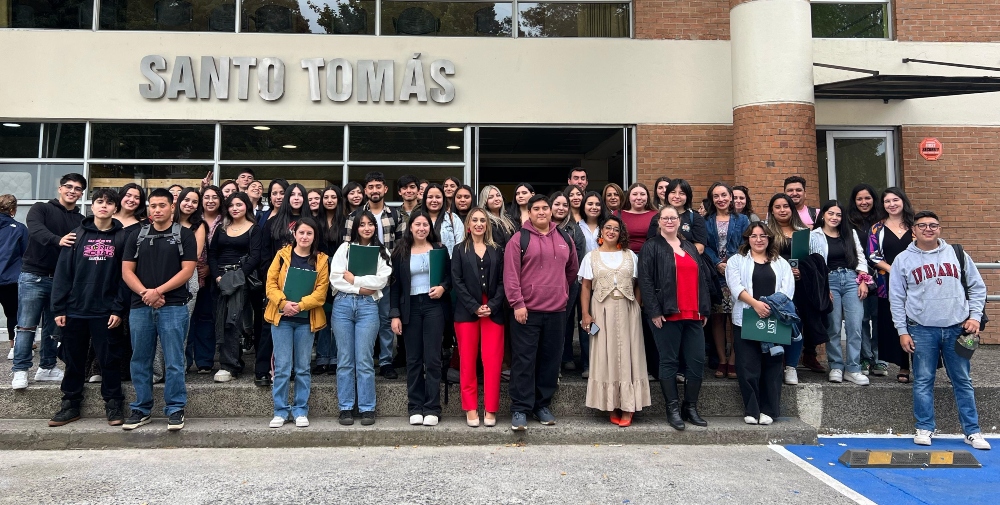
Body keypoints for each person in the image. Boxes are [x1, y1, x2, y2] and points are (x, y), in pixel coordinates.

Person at [890, 211, 990, 450]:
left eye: (933, 225)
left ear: (940, 229)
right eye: (922, 225)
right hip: (922, 329)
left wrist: (975, 317)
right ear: (913, 230)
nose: (928, 229)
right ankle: (924, 427)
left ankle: (972, 431)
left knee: (963, 380)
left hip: (958, 329)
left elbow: (978, 288)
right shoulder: (903, 260)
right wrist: (902, 331)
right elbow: (896, 299)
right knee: (923, 380)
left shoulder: (957, 254)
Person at [46, 189, 127, 427]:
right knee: (73, 360)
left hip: (106, 311)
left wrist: (118, 309)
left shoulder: (122, 237)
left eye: (109, 203)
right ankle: (70, 404)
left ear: (115, 208)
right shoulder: (76, 235)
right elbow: (62, 274)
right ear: (92, 206)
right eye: (99, 202)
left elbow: (125, 277)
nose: (104, 206)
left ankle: (113, 404)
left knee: (109, 360)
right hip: (75, 311)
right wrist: (59, 309)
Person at [121, 188, 197, 431]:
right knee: (140, 359)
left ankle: (175, 408)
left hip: (173, 306)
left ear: (172, 207)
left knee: (174, 360)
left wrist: (159, 291)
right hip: (140, 305)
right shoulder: (136, 235)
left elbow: (187, 271)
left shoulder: (185, 235)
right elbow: (126, 271)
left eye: (162, 205)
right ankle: (141, 408)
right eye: (152, 206)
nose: (157, 210)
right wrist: (147, 293)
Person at [504, 195, 579, 431]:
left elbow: (572, 270)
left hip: (556, 310)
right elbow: (511, 275)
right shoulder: (519, 239)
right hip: (527, 311)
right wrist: (518, 304)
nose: (541, 212)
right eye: (535, 209)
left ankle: (542, 405)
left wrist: (559, 293)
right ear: (529, 212)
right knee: (524, 360)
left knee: (550, 360)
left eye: (545, 208)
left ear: (551, 211)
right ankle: (520, 408)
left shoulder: (565, 237)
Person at [639, 206, 711, 430]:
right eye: (665, 218)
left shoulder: (688, 246)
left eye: (673, 218)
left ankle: (690, 407)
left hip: (693, 313)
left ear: (679, 222)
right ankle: (672, 408)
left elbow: (702, 279)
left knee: (696, 362)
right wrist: (654, 311)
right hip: (667, 314)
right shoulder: (650, 247)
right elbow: (646, 281)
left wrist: (705, 309)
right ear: (658, 222)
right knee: (669, 361)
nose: (669, 221)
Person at [11, 173, 86, 390]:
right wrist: (58, 240)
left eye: (77, 188)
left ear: (82, 194)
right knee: (26, 326)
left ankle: (47, 367)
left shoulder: (80, 221)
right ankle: (20, 369)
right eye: (68, 187)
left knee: (55, 327)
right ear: (60, 188)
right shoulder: (40, 208)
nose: (72, 191)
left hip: (62, 282)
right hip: (34, 276)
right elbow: (36, 231)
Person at [582, 215, 650, 427]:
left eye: (616, 228)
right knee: (606, 355)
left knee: (630, 354)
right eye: (608, 228)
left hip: (628, 308)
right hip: (601, 309)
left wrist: (637, 304)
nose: (611, 231)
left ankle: (628, 405)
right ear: (601, 232)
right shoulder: (590, 257)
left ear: (621, 233)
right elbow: (585, 287)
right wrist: (586, 314)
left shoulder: (630, 255)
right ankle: (612, 404)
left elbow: (638, 283)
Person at [726, 222, 795, 425]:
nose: (758, 239)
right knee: (748, 366)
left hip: (774, 319)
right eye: (754, 236)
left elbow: (787, 290)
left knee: (773, 366)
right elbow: (735, 287)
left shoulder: (781, 263)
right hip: (746, 318)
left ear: (769, 239)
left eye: (763, 236)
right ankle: (752, 409)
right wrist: (756, 305)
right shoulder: (736, 261)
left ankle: (769, 410)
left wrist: (770, 307)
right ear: (747, 239)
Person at [264, 218, 330, 429]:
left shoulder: (321, 260)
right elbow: (270, 284)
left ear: (314, 237)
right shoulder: (282, 256)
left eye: (309, 233)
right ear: (295, 234)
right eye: (301, 232)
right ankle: (280, 411)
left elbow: (321, 293)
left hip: (305, 320)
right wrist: (283, 303)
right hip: (282, 319)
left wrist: (299, 306)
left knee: (302, 368)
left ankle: (301, 409)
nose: (304, 237)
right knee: (282, 368)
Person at [329, 211, 391, 426]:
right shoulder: (344, 249)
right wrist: (362, 287)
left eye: (370, 224)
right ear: (355, 227)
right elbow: (336, 279)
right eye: (362, 224)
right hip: (343, 305)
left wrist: (354, 279)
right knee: (345, 359)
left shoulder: (382, 253)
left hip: (368, 307)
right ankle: (345, 407)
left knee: (364, 360)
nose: (367, 228)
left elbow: (381, 281)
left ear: (375, 227)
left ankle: (367, 407)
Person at [390, 212, 451, 427]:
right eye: (418, 224)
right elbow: (395, 286)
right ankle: (415, 407)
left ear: (430, 228)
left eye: (426, 224)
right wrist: (395, 314)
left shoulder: (439, 250)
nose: (422, 228)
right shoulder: (400, 252)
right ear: (411, 227)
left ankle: (432, 407)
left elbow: (450, 276)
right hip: (410, 307)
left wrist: (443, 287)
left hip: (434, 305)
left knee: (433, 358)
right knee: (414, 359)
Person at [343, 172, 405, 380]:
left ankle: (386, 361)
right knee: (361, 320)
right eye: (371, 187)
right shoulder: (354, 217)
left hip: (386, 278)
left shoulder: (396, 215)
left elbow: (401, 248)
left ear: (385, 189)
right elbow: (347, 248)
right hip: (359, 278)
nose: (375, 190)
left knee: (385, 320)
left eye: (379, 186)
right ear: (365, 190)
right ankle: (364, 360)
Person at [452, 208, 506, 428]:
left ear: (488, 225)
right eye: (474, 220)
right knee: (467, 361)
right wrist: (474, 306)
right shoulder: (459, 250)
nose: (479, 223)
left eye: (482, 220)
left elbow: (505, 281)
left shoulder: (497, 250)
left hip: (493, 311)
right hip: (467, 311)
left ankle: (490, 408)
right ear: (468, 224)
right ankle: (471, 407)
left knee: (492, 362)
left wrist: (492, 306)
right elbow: (457, 281)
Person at [809, 201, 870, 386]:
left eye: (838, 214)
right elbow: (814, 264)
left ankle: (853, 368)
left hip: (852, 280)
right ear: (823, 215)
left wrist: (863, 281)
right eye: (831, 213)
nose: (834, 217)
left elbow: (860, 256)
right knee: (833, 327)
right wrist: (823, 288)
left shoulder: (849, 233)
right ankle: (836, 366)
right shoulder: (814, 236)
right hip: (829, 281)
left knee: (855, 326)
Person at [151, 188, 204, 383]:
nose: (189, 204)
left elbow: (194, 256)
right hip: (158, 278)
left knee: (179, 329)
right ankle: (157, 372)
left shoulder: (198, 226)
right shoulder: (164, 222)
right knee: (156, 328)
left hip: (187, 280)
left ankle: (176, 372)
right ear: (177, 202)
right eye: (186, 200)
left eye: (194, 201)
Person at [208, 192, 262, 383]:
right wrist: (216, 276)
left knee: (233, 320)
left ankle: (228, 366)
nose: (235, 208)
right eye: (231, 205)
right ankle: (233, 361)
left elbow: (255, 256)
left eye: (239, 204)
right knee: (221, 319)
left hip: (241, 279)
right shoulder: (221, 228)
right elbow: (212, 253)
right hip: (219, 278)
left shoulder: (254, 229)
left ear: (247, 206)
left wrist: (236, 277)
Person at [704, 182, 750, 380]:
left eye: (724, 195)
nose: (720, 199)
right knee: (718, 317)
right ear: (712, 200)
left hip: (737, 273)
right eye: (716, 196)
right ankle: (722, 360)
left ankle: (733, 360)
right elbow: (704, 245)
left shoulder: (742, 220)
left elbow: (746, 243)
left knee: (735, 317)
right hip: (716, 275)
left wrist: (730, 263)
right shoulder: (705, 220)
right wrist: (717, 263)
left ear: (731, 197)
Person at [869, 187, 915, 383]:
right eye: (887, 201)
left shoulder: (915, 225)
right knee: (896, 322)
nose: (892, 204)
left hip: (916, 281)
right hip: (887, 282)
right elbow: (872, 255)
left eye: (895, 200)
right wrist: (893, 271)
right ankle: (903, 365)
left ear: (903, 201)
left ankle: (921, 364)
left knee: (918, 320)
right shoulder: (877, 228)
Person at [763, 193, 811, 381]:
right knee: (774, 323)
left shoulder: (803, 232)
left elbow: (812, 261)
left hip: (798, 286)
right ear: (772, 211)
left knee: (795, 322)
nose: (782, 210)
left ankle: (791, 366)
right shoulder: (765, 232)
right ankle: (775, 364)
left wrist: (803, 271)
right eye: (777, 207)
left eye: (786, 206)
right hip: (772, 285)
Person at [847, 183, 884, 377]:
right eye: (859, 199)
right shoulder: (849, 222)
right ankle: (864, 356)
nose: (863, 202)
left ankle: (878, 358)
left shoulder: (882, 220)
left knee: (879, 317)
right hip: (859, 273)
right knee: (861, 318)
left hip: (882, 274)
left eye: (867, 198)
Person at [549, 192, 587, 376]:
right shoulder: (540, 227)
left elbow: (577, 260)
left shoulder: (574, 229)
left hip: (568, 284)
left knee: (564, 322)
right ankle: (552, 365)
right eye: (557, 204)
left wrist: (565, 281)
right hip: (544, 285)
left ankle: (565, 358)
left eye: (565, 205)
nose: (561, 208)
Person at [188, 185, 223, 374]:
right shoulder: (193, 219)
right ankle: (185, 360)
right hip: (188, 274)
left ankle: (204, 360)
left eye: (215, 197)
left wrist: (211, 268)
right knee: (187, 318)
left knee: (206, 318)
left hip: (212, 276)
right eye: (206, 197)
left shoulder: (225, 221)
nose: (210, 200)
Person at [645, 179, 708, 255]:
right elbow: (651, 243)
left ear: (687, 196)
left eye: (682, 193)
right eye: (673, 192)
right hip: (661, 261)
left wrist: (679, 257)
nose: (677, 196)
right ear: (667, 194)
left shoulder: (695, 217)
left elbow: (700, 247)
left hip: (687, 261)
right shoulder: (657, 217)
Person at [0, 195, 27, 359]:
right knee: (14, 313)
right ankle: (14, 345)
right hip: (11, 278)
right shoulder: (19, 228)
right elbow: (26, 253)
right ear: (13, 210)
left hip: (10, 278)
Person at [422, 184, 465, 256]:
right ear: (425, 199)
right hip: (423, 264)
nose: (434, 200)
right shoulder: (418, 219)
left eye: (438, 197)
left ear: (443, 199)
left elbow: (460, 245)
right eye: (430, 197)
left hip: (449, 264)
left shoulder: (452, 218)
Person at [617, 183, 657, 253]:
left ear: (647, 197)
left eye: (642, 194)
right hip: (624, 256)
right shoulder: (618, 214)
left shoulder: (657, 215)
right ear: (628, 197)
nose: (639, 198)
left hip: (650, 257)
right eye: (635, 194)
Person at [578, 192, 607, 256]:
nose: (594, 207)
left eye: (597, 204)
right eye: (590, 204)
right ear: (583, 206)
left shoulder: (607, 227)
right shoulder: (577, 227)